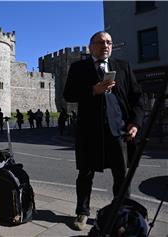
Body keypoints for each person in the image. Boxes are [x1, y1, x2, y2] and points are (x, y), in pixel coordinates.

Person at [63, 31, 144, 231]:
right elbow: (68, 95)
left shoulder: (123, 66)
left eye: (108, 42)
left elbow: (137, 98)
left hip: (119, 131)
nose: (105, 46)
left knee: (121, 176)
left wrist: (135, 123)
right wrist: (93, 90)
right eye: (100, 43)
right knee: (85, 174)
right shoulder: (78, 68)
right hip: (90, 132)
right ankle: (82, 212)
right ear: (90, 47)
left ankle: (122, 214)